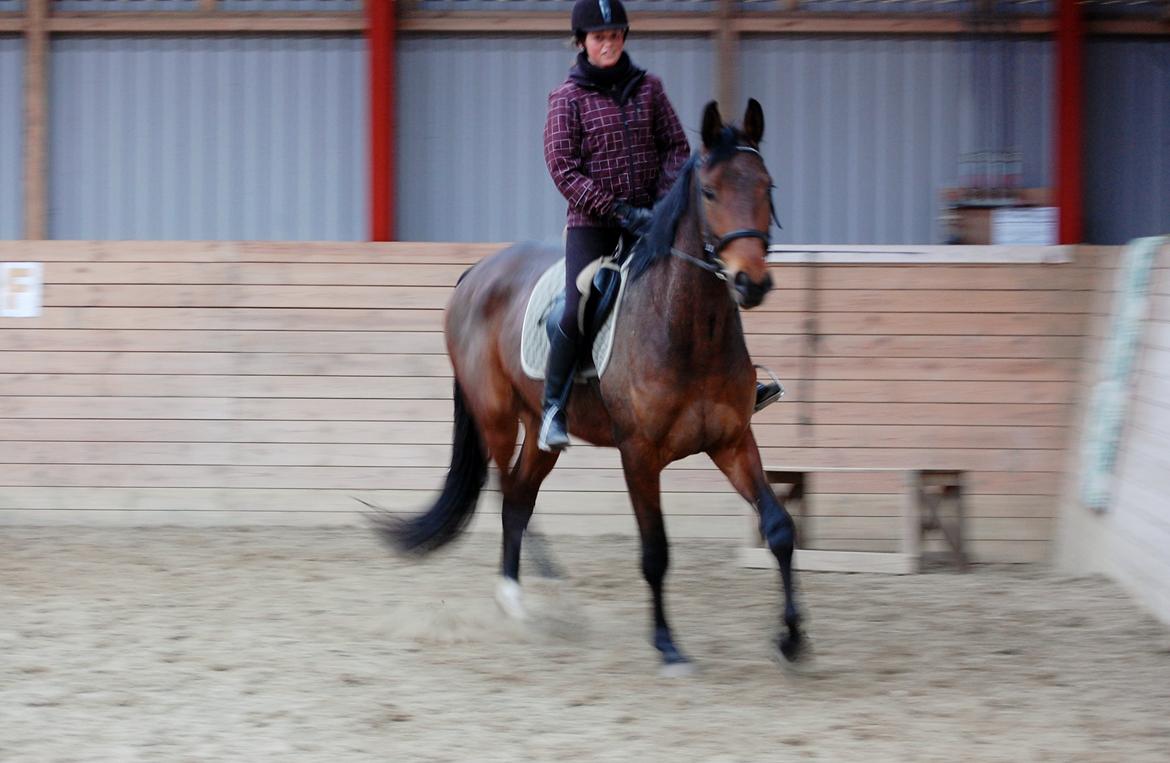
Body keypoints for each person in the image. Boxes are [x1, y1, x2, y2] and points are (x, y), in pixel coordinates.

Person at [540, 0, 781, 453]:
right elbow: (563, 169)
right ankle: (553, 406)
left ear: (623, 38)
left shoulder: (649, 88)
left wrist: (663, 200)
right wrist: (618, 210)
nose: (608, 44)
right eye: (598, 37)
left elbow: (675, 146)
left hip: (654, 218)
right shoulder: (567, 99)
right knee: (578, 305)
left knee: (706, 280)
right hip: (593, 226)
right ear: (582, 43)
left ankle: (741, 383)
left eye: (614, 36)